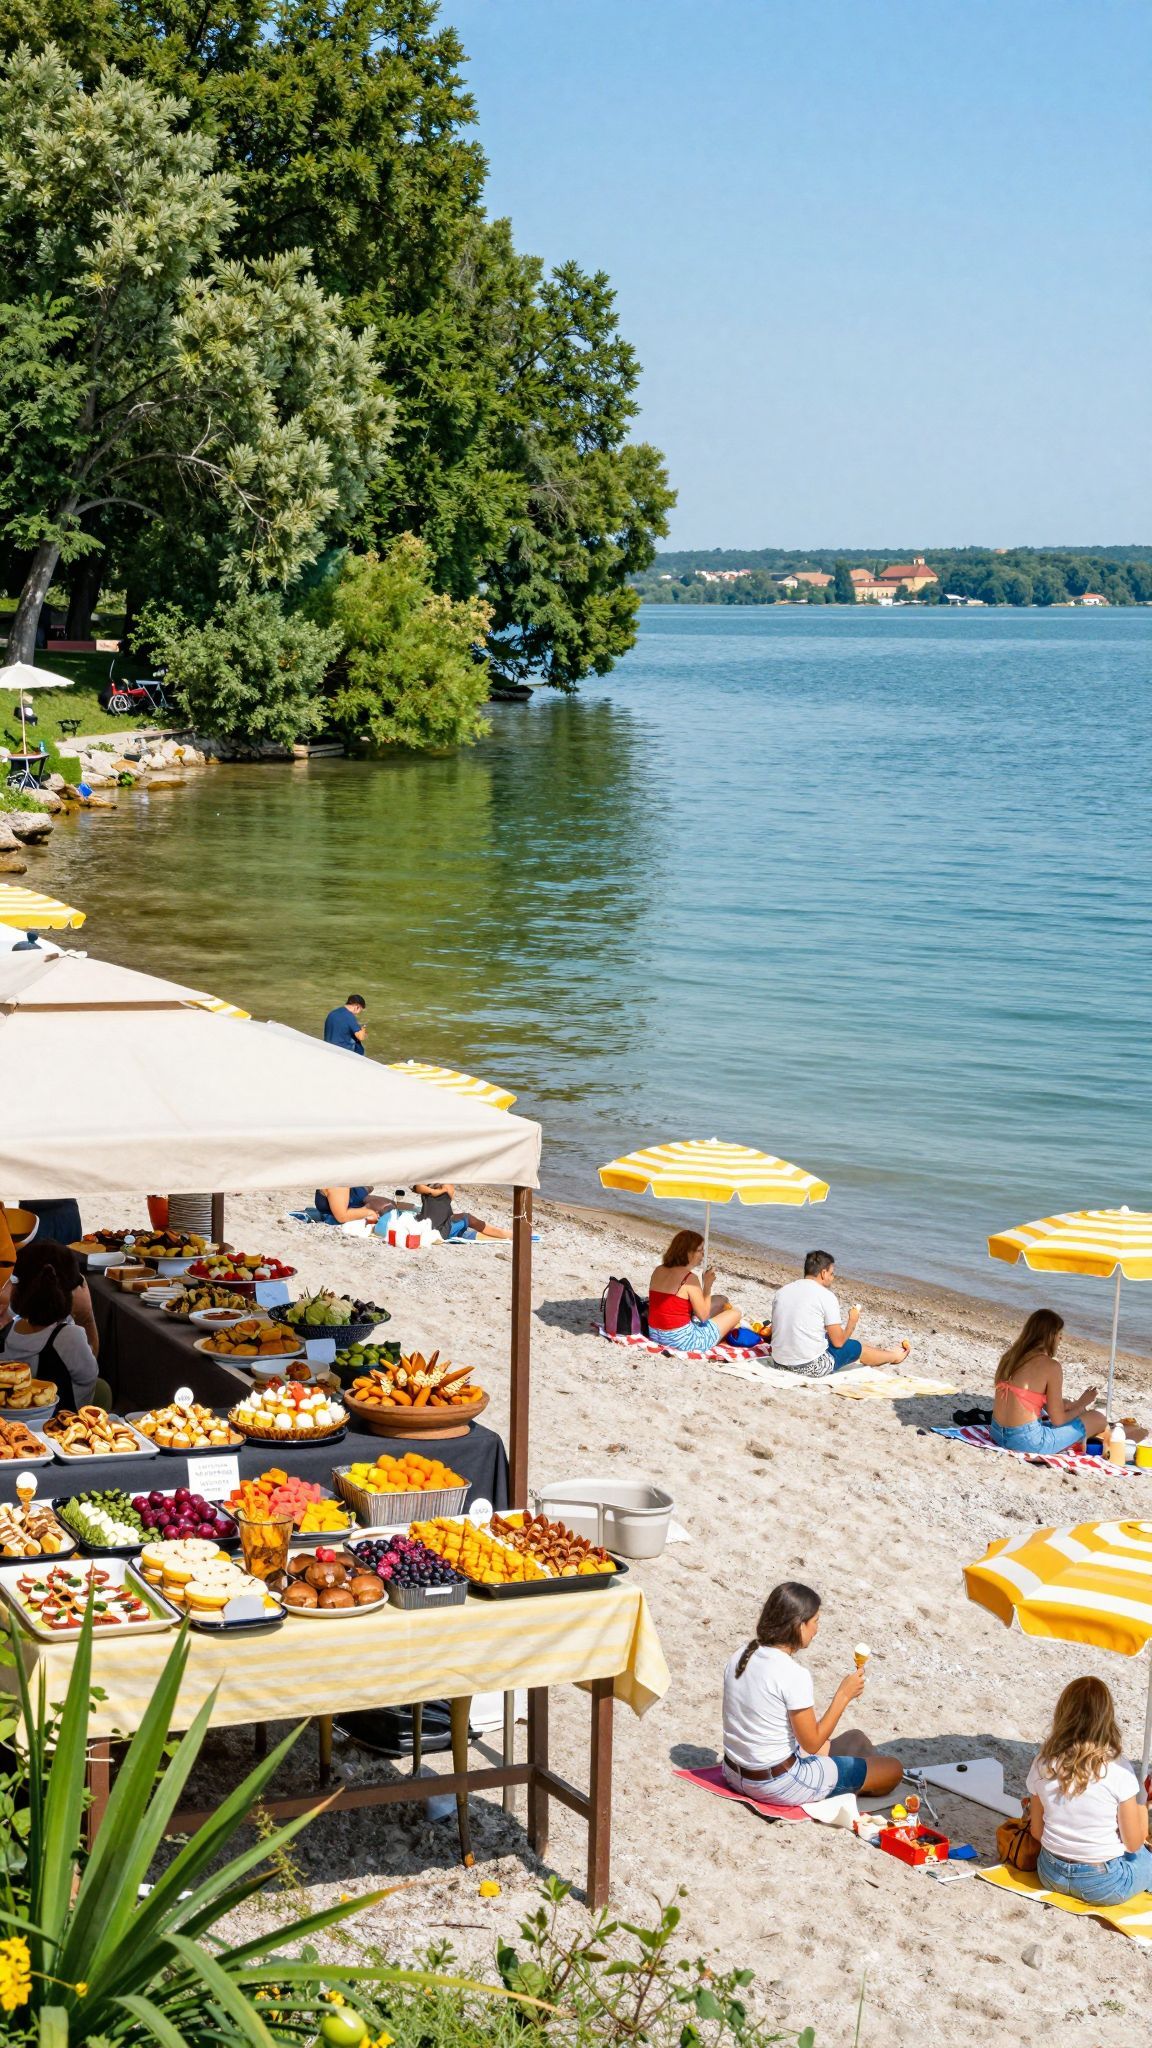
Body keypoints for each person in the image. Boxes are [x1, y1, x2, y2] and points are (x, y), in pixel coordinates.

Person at [722, 1581, 903, 1805]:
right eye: (815, 1622)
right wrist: (843, 1696)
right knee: (893, 1769)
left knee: (855, 1739)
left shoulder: (741, 1654)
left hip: (733, 1773)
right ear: (799, 1625)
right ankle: (852, 1782)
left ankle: (857, 1773)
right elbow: (812, 1743)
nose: (817, 1629)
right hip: (777, 1783)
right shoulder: (792, 1673)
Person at [1027, 1677, 1152, 1906]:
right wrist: (1142, 1808)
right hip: (1103, 1883)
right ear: (1106, 1719)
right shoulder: (1118, 1770)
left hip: (1049, 1873)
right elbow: (1134, 1843)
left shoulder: (1043, 1762)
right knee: (1145, 1859)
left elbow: (1037, 1831)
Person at [770, 1250, 910, 1378]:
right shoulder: (825, 1296)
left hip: (779, 1362)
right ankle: (894, 1357)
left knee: (828, 1337)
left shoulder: (782, 1291)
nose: (832, 1277)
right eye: (832, 1273)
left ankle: (887, 1353)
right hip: (808, 1367)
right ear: (823, 1273)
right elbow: (838, 1343)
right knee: (854, 1347)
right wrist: (852, 1322)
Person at [0, 1241, 106, 1409]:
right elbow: (89, 1377)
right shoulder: (69, 1337)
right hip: (58, 1429)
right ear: (72, 1291)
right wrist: (86, 1317)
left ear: (17, 1287)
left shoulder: (7, 1332)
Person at [992, 1308, 1108, 1454]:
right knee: (1098, 1418)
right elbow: (1058, 1420)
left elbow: (1031, 1399)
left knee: (1065, 1406)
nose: (1061, 1339)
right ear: (1050, 1336)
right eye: (1060, 1334)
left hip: (997, 1433)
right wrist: (1082, 1404)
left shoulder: (1010, 1358)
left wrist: (1075, 1404)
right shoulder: (1051, 1366)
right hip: (1026, 1442)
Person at [647, 1230, 743, 1350]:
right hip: (681, 1341)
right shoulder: (689, 1278)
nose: (703, 1254)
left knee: (721, 1299)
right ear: (687, 1252)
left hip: (655, 1334)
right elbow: (704, 1317)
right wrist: (707, 1286)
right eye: (699, 1250)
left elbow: (673, 1305)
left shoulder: (658, 1270)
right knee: (736, 1313)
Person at [410, 1182, 513, 1242]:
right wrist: (437, 1191)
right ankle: (505, 1234)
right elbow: (416, 1187)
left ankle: (506, 1234)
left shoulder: (444, 1186)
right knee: (467, 1218)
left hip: (428, 1226)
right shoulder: (435, 1186)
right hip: (438, 1231)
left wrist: (434, 1191)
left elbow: (419, 1188)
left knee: (462, 1224)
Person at [314, 1186, 387, 1226]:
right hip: (365, 1206)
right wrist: (370, 1213)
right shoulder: (338, 1185)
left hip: (371, 1205)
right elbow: (342, 1217)